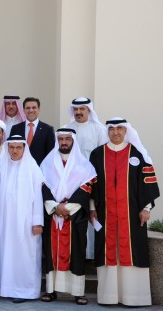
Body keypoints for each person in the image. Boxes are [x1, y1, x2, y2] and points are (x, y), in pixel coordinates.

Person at [89, 118, 159, 306]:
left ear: (126, 130)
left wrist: (146, 208)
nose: (116, 132)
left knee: (133, 250)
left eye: (119, 128)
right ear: (107, 131)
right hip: (105, 213)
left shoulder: (137, 153)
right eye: (111, 129)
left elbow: (148, 183)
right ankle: (108, 297)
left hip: (132, 215)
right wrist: (92, 208)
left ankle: (135, 297)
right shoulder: (97, 154)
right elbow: (91, 184)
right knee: (107, 250)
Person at [40, 128, 95, 305]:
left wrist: (67, 208)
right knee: (51, 253)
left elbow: (86, 189)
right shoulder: (47, 163)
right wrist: (55, 207)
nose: (64, 142)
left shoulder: (84, 165)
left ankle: (78, 292)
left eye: (67, 139)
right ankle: (51, 290)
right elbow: (42, 186)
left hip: (75, 216)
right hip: (53, 215)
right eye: (61, 139)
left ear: (73, 141)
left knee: (76, 252)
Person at [0, 135, 43, 303]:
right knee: (7, 254)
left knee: (26, 255)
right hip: (6, 221)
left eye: (18, 147)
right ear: (7, 148)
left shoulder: (33, 168)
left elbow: (38, 197)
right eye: (12, 147)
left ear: (24, 149)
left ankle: (26, 291)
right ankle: (7, 288)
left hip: (26, 222)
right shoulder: (2, 166)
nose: (15, 151)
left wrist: (38, 221)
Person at [63, 97, 108, 261]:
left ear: (89, 110)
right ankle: (74, 255)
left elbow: (103, 158)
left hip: (93, 182)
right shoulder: (66, 129)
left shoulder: (99, 130)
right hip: (70, 182)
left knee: (92, 216)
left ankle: (91, 257)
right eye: (76, 109)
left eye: (82, 109)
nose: (78, 112)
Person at [10, 97, 55, 166]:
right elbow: (11, 150)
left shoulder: (48, 129)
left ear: (39, 110)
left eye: (34, 107)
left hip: (39, 170)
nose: (31, 110)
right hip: (19, 169)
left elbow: (50, 154)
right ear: (24, 110)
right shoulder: (15, 129)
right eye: (28, 108)